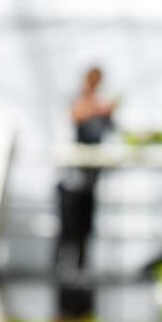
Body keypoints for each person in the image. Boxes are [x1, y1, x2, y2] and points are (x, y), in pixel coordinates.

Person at [54, 65, 117, 277]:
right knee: (68, 224)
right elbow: (76, 114)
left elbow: (110, 128)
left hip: (90, 176)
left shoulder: (100, 104)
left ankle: (81, 266)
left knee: (85, 223)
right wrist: (100, 109)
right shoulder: (79, 101)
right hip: (72, 175)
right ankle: (62, 266)